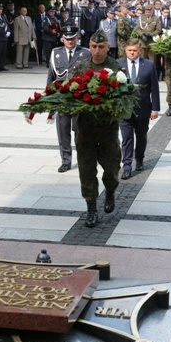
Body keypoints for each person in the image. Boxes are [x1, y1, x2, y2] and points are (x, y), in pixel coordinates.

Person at [72, 29, 122, 228]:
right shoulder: (81, 68)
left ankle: (110, 190)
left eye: (101, 47)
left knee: (111, 168)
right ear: (89, 47)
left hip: (108, 129)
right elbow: (71, 92)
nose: (97, 51)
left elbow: (123, 98)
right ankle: (91, 208)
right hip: (86, 130)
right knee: (86, 169)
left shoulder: (116, 69)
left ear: (108, 47)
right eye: (93, 47)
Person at [44, 25, 91, 173]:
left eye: (72, 39)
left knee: (79, 130)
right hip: (62, 98)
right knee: (62, 130)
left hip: (78, 97)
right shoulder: (55, 53)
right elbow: (51, 76)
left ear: (77, 38)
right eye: (67, 39)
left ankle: (82, 159)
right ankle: (66, 160)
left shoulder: (85, 53)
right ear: (62, 39)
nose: (70, 42)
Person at [118, 38, 160, 179]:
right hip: (124, 109)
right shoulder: (119, 64)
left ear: (140, 50)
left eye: (135, 50)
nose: (132, 53)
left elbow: (154, 88)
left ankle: (140, 158)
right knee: (126, 137)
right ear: (125, 50)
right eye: (129, 50)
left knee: (141, 136)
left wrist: (155, 109)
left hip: (142, 107)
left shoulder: (148, 65)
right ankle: (127, 165)